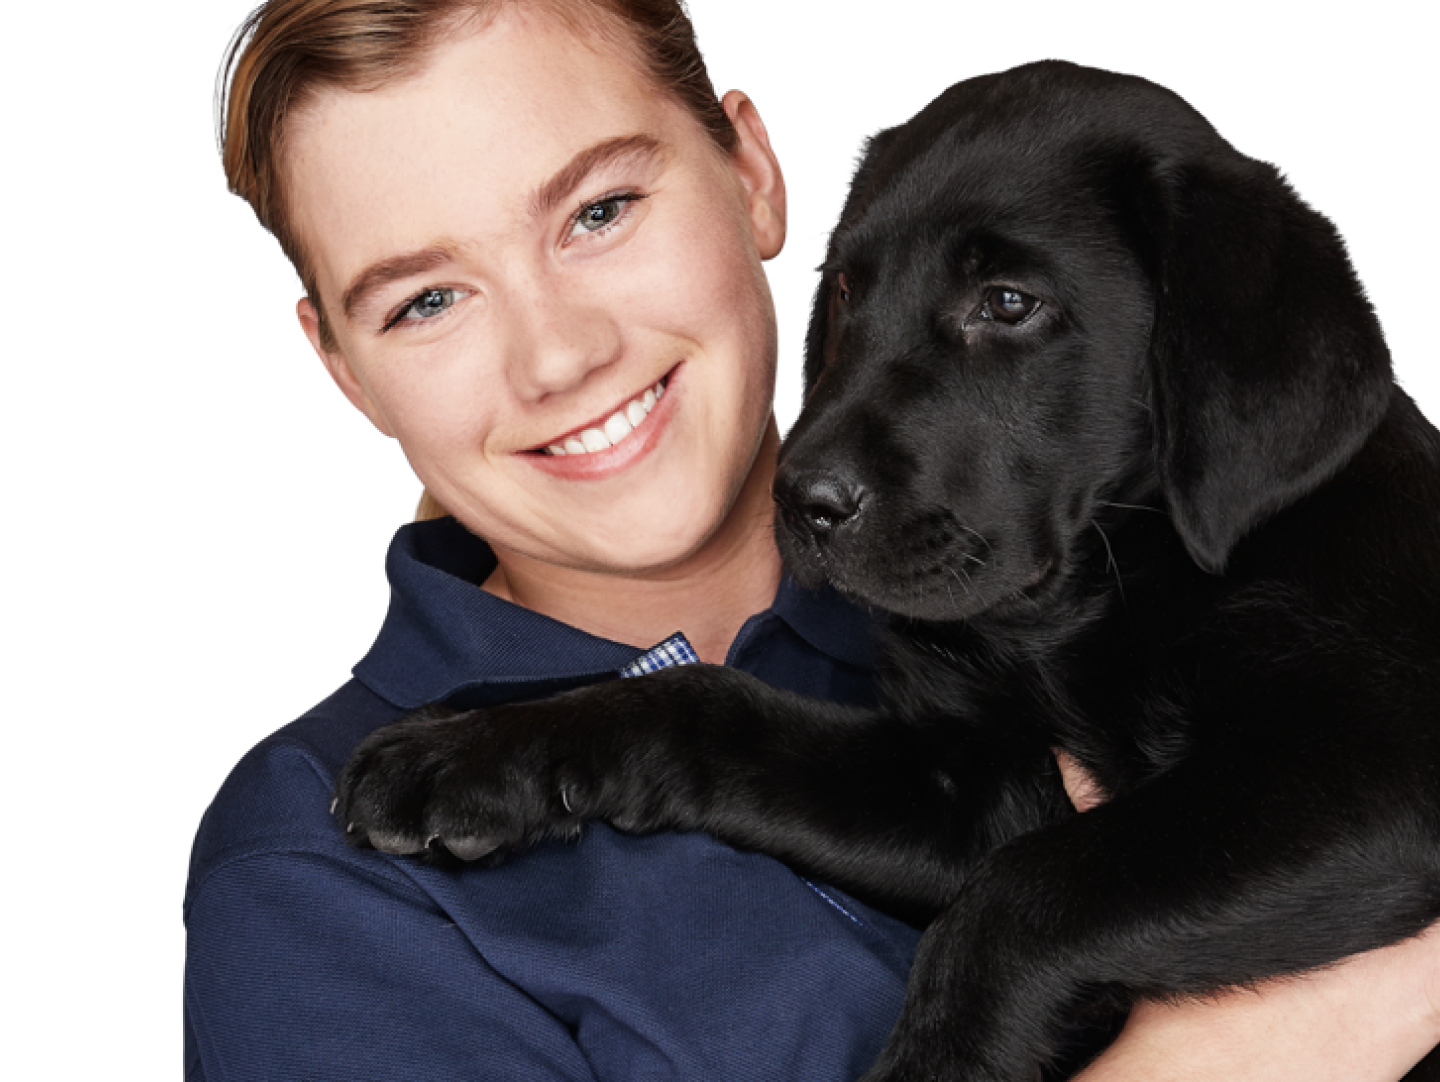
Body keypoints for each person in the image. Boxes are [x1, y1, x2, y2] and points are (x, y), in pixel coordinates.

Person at [186, 1, 1440, 1078]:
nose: (558, 353)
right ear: (337, 367)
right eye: (427, 299)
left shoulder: (1037, 588)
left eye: (601, 209)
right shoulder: (316, 881)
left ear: (752, 171)